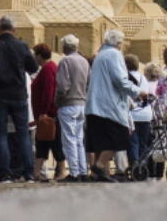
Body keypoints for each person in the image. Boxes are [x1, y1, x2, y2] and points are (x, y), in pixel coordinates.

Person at [0, 14, 39, 184]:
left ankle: (5, 174)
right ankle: (28, 173)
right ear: (14, 30)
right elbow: (33, 67)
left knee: (1, 135)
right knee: (23, 135)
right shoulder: (22, 46)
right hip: (19, 95)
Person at [85, 29, 143, 183]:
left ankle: (101, 173)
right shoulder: (114, 54)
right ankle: (99, 166)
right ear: (119, 43)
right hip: (108, 106)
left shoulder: (100, 55)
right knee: (119, 138)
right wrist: (138, 92)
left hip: (95, 105)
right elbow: (120, 80)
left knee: (100, 140)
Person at [55, 34, 89, 182]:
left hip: (68, 104)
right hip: (82, 103)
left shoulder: (65, 61)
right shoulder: (84, 61)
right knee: (79, 139)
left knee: (69, 139)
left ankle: (74, 172)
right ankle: (83, 170)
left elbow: (63, 85)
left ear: (64, 47)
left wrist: (58, 98)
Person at [29, 43, 64, 182]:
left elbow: (48, 92)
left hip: (48, 115)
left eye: (35, 55)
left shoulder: (48, 69)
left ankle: (61, 170)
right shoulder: (49, 68)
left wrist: (43, 112)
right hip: (46, 114)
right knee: (43, 143)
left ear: (39, 55)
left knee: (53, 143)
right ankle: (36, 172)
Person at [124, 54, 155, 172]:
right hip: (146, 114)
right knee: (143, 143)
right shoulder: (143, 78)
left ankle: (134, 166)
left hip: (132, 114)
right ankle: (143, 167)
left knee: (133, 142)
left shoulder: (126, 78)